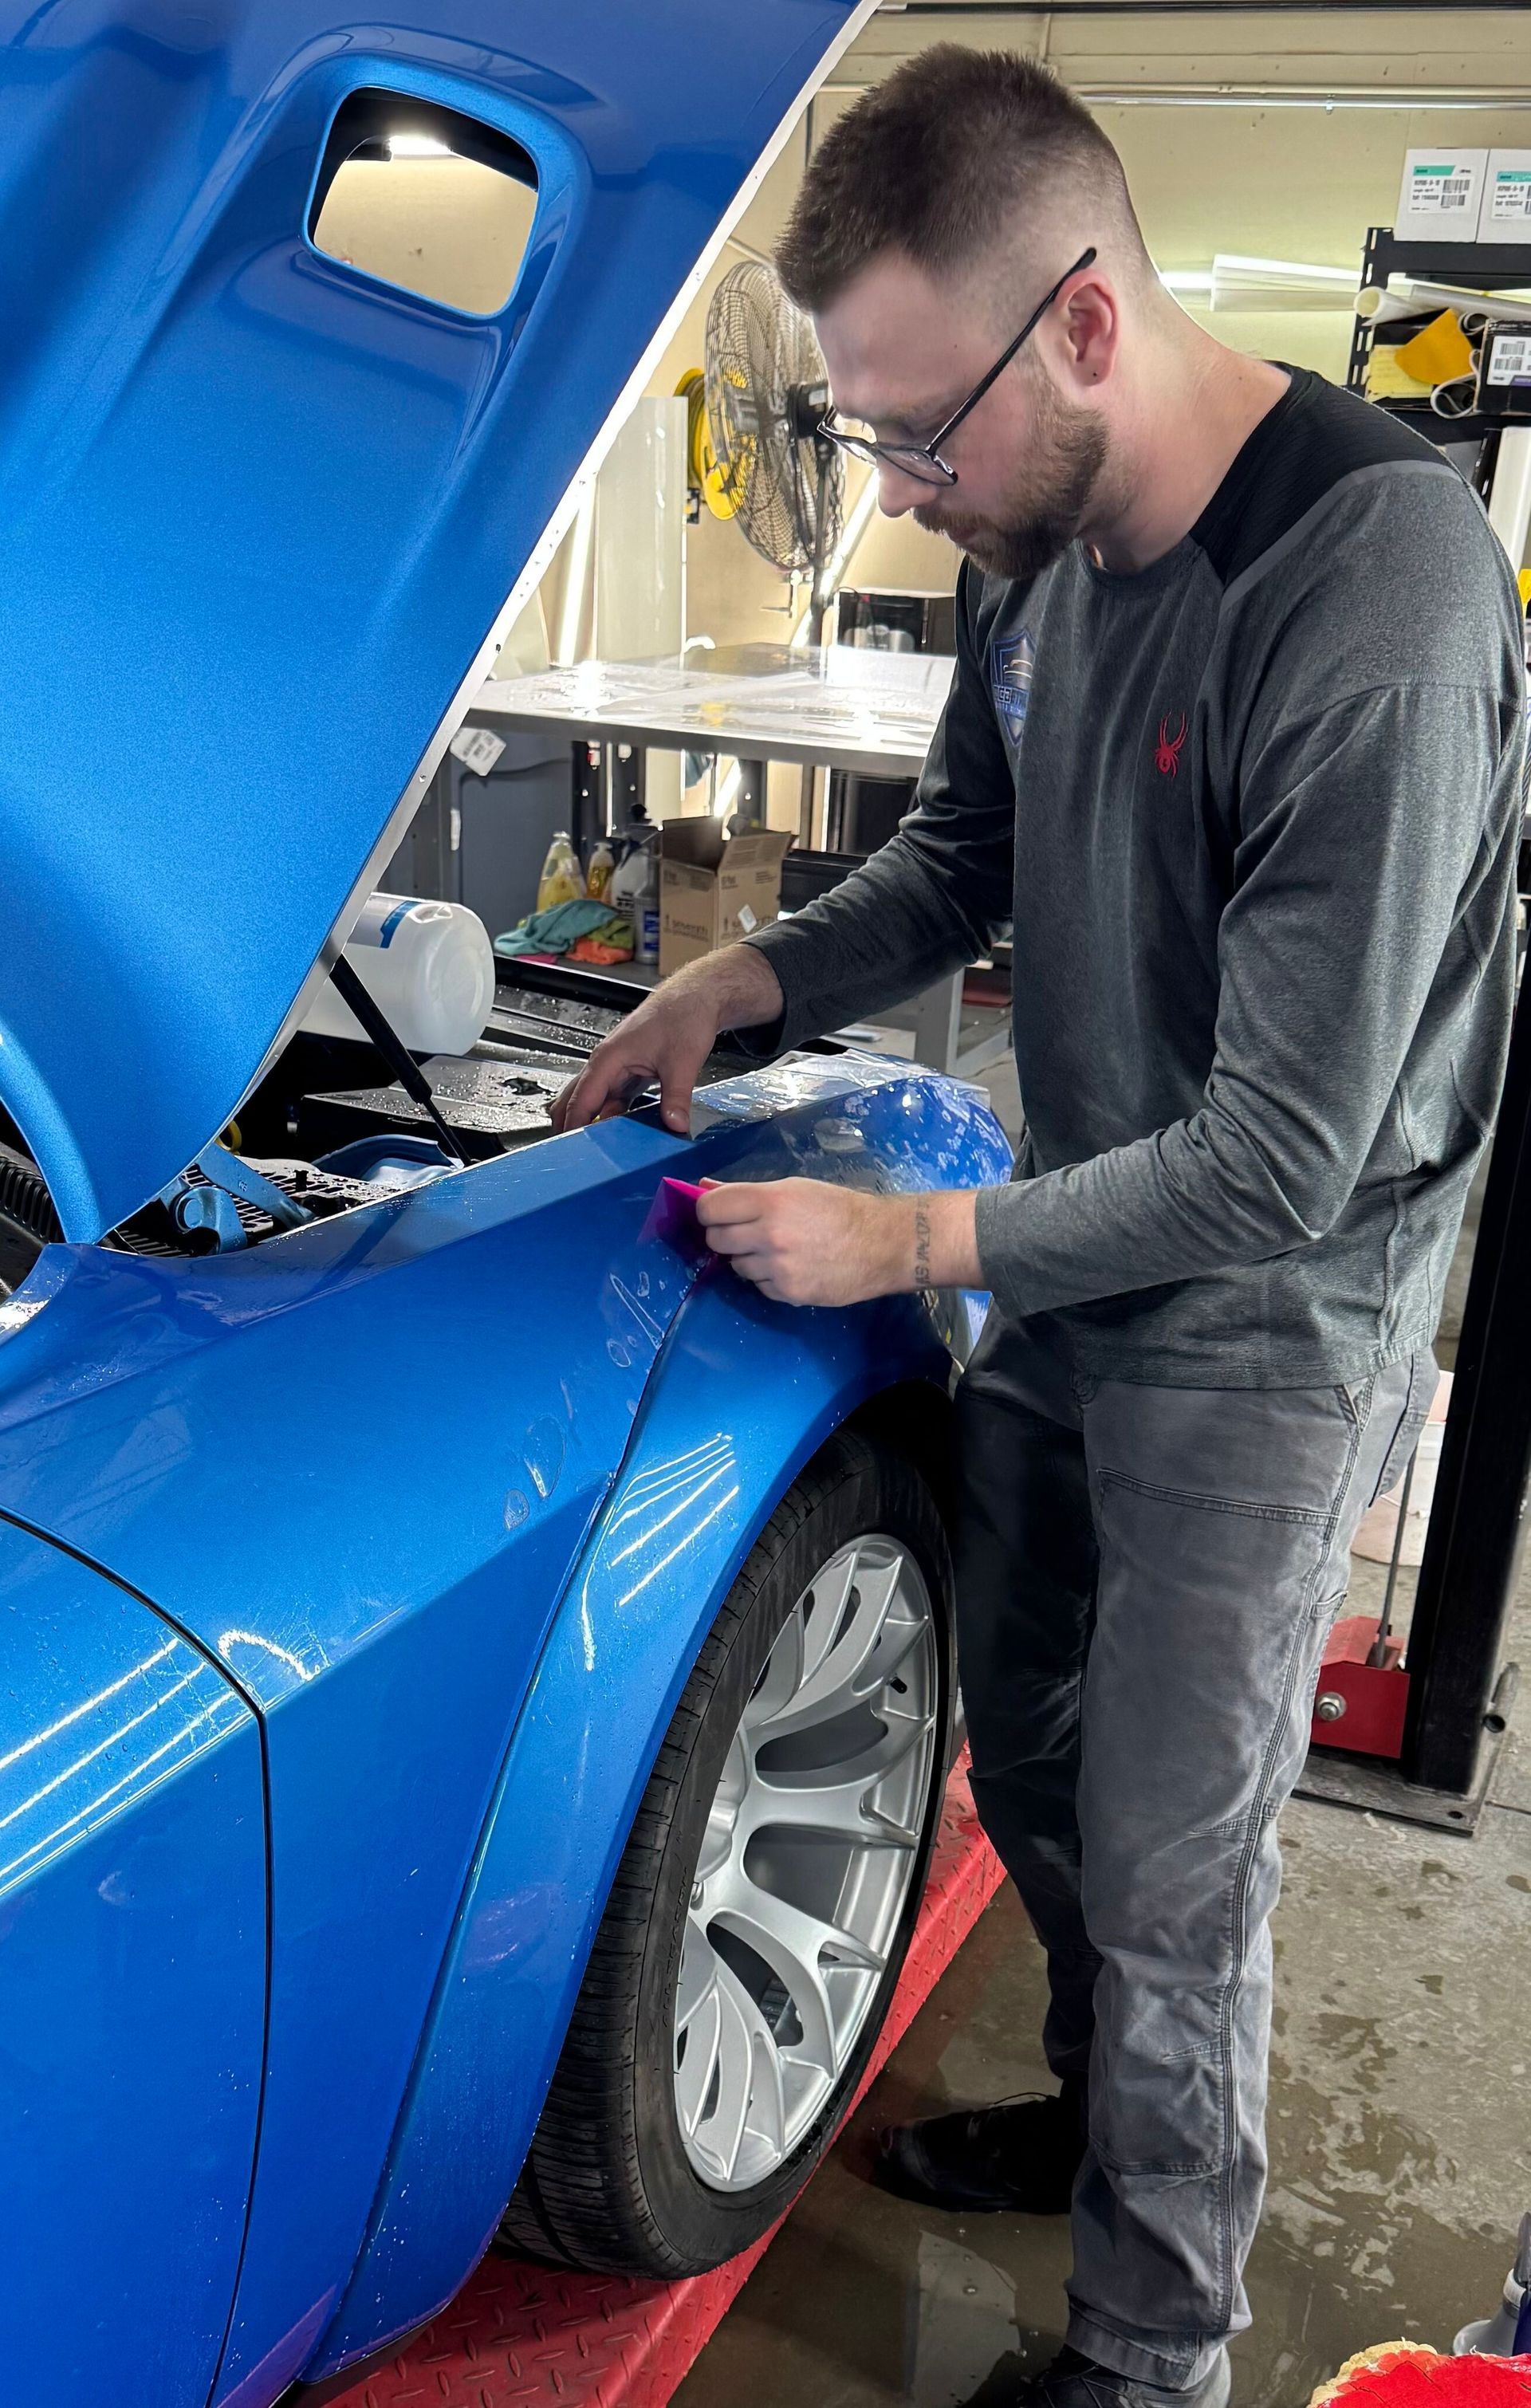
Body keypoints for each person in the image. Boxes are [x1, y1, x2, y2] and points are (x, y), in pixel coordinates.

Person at [553, 46, 1525, 2408]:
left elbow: (1286, 1153)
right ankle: (1110, 2106)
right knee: (1041, 1753)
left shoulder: (1371, 584)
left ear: (1083, 323)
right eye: (865, 440)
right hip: (1083, 1229)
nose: (896, 494)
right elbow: (968, 863)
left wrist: (907, 1252)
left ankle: (1156, 2345)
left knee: (1186, 1861)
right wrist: (745, 970)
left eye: (920, 433)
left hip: (1276, 1305)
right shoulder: (1037, 555)